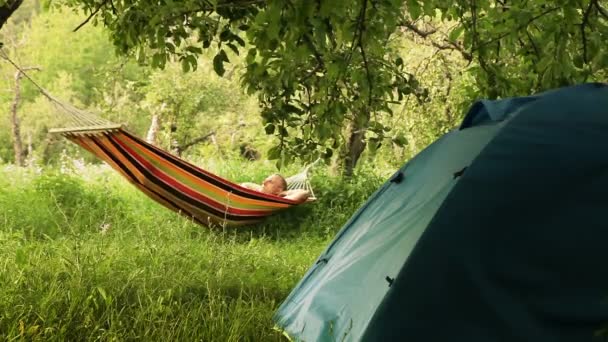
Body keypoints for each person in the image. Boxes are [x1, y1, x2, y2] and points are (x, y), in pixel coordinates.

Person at [240, 173, 311, 203]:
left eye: (270, 181)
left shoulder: (278, 201)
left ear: (278, 190)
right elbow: (242, 187)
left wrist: (284, 193)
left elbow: (304, 193)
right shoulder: (254, 188)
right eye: (266, 179)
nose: (265, 181)